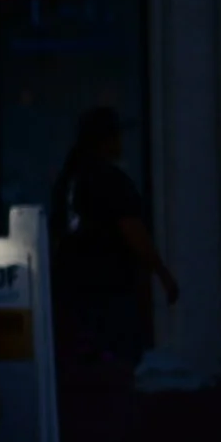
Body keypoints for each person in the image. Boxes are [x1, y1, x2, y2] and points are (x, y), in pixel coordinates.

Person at [49, 105, 179, 384]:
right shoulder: (108, 179)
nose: (121, 144)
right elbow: (132, 229)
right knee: (114, 365)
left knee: (83, 365)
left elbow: (56, 234)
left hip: (72, 292)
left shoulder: (69, 179)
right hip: (106, 291)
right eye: (116, 137)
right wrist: (163, 273)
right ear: (104, 141)